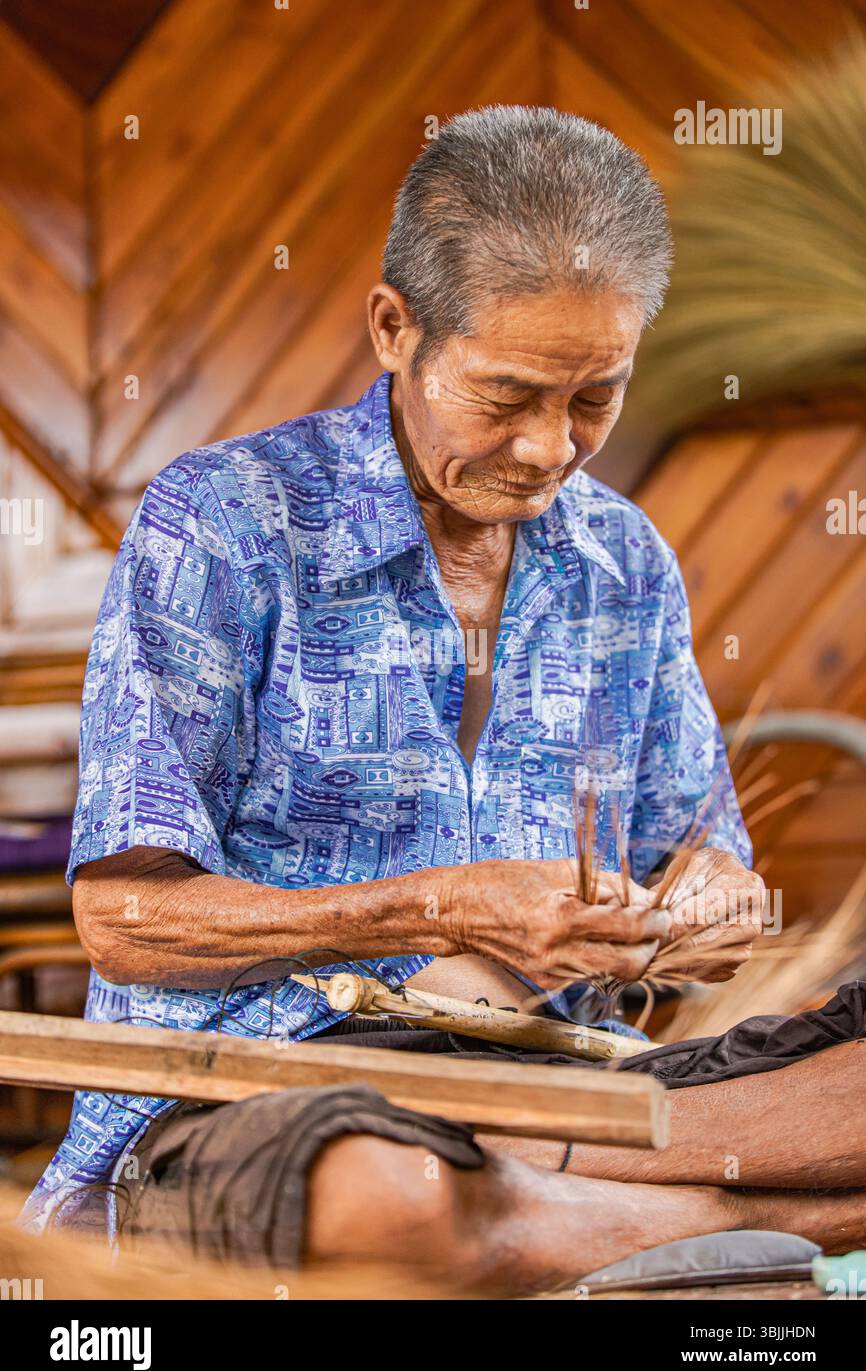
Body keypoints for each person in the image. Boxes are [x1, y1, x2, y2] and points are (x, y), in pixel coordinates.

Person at [23, 107, 809, 1295]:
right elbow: (124, 918)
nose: (550, 447)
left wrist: (711, 901)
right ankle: (718, 1214)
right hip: (268, 1088)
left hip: (564, 1083)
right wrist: (436, 909)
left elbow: (697, 850)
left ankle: (590, 1207)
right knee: (397, 1198)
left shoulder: (625, 562)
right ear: (394, 327)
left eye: (593, 396)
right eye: (505, 395)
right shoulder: (226, 524)